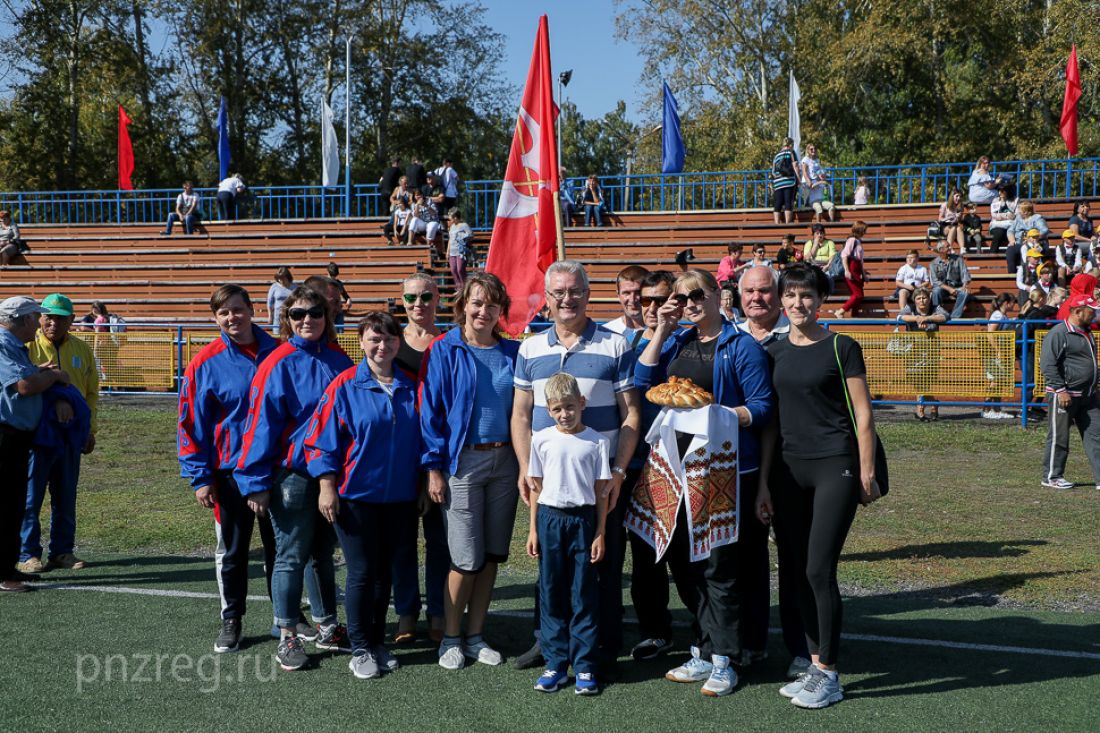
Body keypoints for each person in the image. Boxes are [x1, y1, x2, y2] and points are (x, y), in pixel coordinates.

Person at [629, 268, 773, 698]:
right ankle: (704, 648)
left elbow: (762, 407)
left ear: (717, 296)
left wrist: (722, 416)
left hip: (724, 471)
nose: (689, 302)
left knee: (719, 568)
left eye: (697, 295)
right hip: (678, 470)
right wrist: (663, 328)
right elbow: (643, 383)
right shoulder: (679, 340)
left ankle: (727, 658)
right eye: (681, 296)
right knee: (688, 565)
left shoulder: (740, 346)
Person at [757, 263, 881, 710]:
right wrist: (764, 485)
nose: (797, 304)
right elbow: (769, 423)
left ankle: (828, 672)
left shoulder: (841, 346)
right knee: (793, 570)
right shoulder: (773, 351)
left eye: (806, 296)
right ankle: (813, 662)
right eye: (789, 296)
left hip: (835, 466)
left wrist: (865, 472)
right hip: (787, 471)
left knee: (817, 569)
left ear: (820, 299)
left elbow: (863, 415)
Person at [511, 260, 640, 674]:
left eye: (576, 291)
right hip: (549, 482)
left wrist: (618, 472)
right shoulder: (530, 347)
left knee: (601, 564)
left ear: (588, 293)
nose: (568, 299)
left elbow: (631, 414)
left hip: (598, 482)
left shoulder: (615, 343)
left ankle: (602, 646)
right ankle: (549, 644)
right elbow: (520, 415)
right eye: (559, 292)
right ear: (546, 299)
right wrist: (524, 466)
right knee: (550, 567)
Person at [235, 286, 353, 671]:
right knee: (290, 555)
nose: (307, 320)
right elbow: (259, 425)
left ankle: (327, 626)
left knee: (323, 554)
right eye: (299, 313)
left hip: (333, 476)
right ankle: (286, 635)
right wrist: (254, 481)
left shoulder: (340, 360)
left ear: (326, 317)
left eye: (315, 313)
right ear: (287, 319)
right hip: (293, 475)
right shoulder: (278, 362)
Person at [307, 311, 421, 680]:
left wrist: (420, 486)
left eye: (389, 338)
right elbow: (322, 442)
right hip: (356, 497)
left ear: (398, 343)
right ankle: (359, 647)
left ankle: (376, 640)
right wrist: (327, 487)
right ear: (361, 342)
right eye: (374, 339)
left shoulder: (410, 387)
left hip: (400, 499)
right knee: (361, 571)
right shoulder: (344, 385)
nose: (382, 345)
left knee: (384, 574)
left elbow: (423, 443)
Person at [420, 272, 519, 670]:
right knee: (465, 558)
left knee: (492, 556)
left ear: (501, 311)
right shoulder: (444, 349)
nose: (483, 311)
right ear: (463, 304)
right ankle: (451, 637)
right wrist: (434, 469)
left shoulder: (513, 352)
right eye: (477, 302)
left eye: (491, 305)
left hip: (506, 462)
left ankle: (477, 635)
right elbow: (429, 413)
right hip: (462, 462)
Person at [177, 285, 280, 652]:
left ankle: (284, 620)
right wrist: (200, 477)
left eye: (238, 309)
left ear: (253, 310)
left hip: (277, 472)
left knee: (280, 549)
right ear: (215, 318)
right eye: (224, 312)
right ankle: (232, 619)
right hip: (229, 474)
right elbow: (191, 424)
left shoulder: (280, 353)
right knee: (234, 551)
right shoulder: (205, 362)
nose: (232, 317)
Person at [734, 265, 809, 678]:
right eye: (750, 291)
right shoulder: (729, 337)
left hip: (794, 463)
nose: (757, 298)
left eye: (765, 291)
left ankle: (803, 647)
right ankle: (752, 641)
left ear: (778, 294)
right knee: (748, 556)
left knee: (796, 559)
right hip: (745, 467)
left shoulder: (801, 333)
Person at [525, 372, 610, 696]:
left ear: (582, 403)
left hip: (584, 522)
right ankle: (556, 664)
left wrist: (600, 532)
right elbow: (536, 488)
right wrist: (533, 528)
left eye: (570, 407)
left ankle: (585, 666)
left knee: (583, 593)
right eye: (558, 409)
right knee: (550, 592)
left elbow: (602, 493)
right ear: (549, 409)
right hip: (549, 520)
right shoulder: (541, 439)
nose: (565, 414)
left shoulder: (597, 441)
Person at [17, 293, 97, 575]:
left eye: (60, 317)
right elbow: (25, 385)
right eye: (48, 316)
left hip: (71, 436)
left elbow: (91, 394)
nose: (53, 322)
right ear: (39, 318)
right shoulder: (26, 347)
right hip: (37, 435)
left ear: (72, 320)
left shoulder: (83, 350)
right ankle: (28, 553)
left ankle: (62, 551)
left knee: (65, 495)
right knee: (30, 496)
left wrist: (89, 429)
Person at [623, 270, 679, 662]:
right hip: (635, 464)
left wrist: (661, 331)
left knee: (687, 556)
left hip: (677, 463)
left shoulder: (687, 341)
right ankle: (654, 630)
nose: (652, 309)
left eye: (661, 300)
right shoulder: (625, 342)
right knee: (644, 558)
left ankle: (710, 634)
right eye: (647, 301)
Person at [391, 274, 448, 645]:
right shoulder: (389, 341)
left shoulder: (449, 342)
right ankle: (406, 613)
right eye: (411, 297)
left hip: (439, 451)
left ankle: (440, 612)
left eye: (426, 296)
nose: (418, 303)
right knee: (401, 540)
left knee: (440, 539)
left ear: (438, 299)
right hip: (397, 453)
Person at [0, 297, 73, 593]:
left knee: (14, 502)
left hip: (16, 436)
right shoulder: (3, 344)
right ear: (25, 319)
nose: (40, 323)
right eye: (36, 317)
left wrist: (38, 371)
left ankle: (8, 566)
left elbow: (25, 379)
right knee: (5, 504)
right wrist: (52, 375)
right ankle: (2, 572)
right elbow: (25, 387)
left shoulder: (13, 346)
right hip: (5, 435)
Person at [1039, 293, 1100, 491]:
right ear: (1077, 311)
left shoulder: (1087, 331)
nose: (1095, 313)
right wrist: (1060, 389)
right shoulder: (1058, 333)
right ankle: (1052, 476)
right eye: (1091, 310)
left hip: (1088, 396)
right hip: (1065, 396)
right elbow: (1047, 364)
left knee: (1096, 436)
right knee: (1059, 437)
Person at [897, 286, 949, 420]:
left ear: (929, 298)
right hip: (913, 351)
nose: (922, 301)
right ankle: (933, 402)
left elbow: (946, 316)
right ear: (914, 300)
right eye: (918, 298)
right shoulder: (910, 309)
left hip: (930, 351)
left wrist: (928, 319)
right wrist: (917, 319)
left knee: (925, 380)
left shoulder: (935, 308)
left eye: (924, 298)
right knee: (915, 380)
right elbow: (900, 316)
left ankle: (920, 410)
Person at [982, 293, 1017, 421]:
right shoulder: (997, 315)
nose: (1014, 305)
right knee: (994, 381)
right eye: (1013, 302)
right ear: (1006, 303)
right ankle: (986, 409)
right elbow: (990, 334)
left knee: (998, 381)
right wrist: (998, 351)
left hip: (999, 352)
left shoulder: (1002, 315)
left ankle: (996, 409)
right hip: (993, 354)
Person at [833, 221, 867, 319]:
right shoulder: (852, 240)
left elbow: (860, 261)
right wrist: (847, 270)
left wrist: (864, 274)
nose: (865, 232)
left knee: (860, 295)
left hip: (857, 268)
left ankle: (855, 315)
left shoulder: (858, 241)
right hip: (852, 267)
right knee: (857, 294)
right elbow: (844, 255)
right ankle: (840, 311)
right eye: (864, 230)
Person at [929, 240, 971, 319]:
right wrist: (949, 289)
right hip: (942, 288)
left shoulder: (958, 259)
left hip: (956, 287)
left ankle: (954, 316)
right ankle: (937, 313)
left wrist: (964, 286)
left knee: (965, 292)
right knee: (936, 291)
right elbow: (935, 281)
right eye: (947, 246)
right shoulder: (933, 263)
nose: (950, 248)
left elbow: (965, 273)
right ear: (941, 249)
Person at [603, 265, 649, 335]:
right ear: (618, 295)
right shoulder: (606, 333)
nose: (632, 299)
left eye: (638, 293)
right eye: (626, 293)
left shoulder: (663, 331)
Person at [1009, 200, 1050, 271]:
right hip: (1020, 242)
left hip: (1035, 243)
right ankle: (1012, 273)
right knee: (1010, 250)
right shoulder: (1018, 218)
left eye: (1020, 210)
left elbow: (1044, 230)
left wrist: (1033, 238)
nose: (1018, 212)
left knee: (1031, 250)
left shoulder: (1037, 218)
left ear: (1027, 212)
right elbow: (1010, 230)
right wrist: (1012, 240)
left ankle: (1029, 271)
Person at [800, 144, 835, 223]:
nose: (813, 150)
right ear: (808, 150)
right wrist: (808, 181)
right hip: (808, 181)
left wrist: (822, 177)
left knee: (829, 205)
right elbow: (804, 171)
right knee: (811, 203)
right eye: (811, 149)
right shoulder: (805, 159)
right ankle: (816, 224)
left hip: (816, 180)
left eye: (815, 149)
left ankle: (832, 223)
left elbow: (818, 171)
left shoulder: (817, 160)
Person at [771, 137, 798, 224]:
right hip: (789, 182)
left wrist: (779, 177)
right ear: (791, 145)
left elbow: (773, 172)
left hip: (778, 183)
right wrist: (798, 179)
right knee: (788, 203)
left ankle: (776, 224)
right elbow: (795, 166)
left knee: (777, 204)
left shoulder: (776, 155)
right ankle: (787, 223)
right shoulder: (791, 153)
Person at [447, 209, 473, 289]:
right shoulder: (452, 226)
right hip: (452, 252)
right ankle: (458, 287)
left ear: (455, 218)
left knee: (460, 269)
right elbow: (450, 239)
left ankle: (465, 286)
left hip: (461, 252)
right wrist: (448, 251)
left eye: (450, 218)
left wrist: (463, 238)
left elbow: (471, 235)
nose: (449, 220)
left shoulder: (464, 225)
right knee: (453, 270)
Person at [989, 185, 1018, 256]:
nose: (1000, 193)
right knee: (999, 232)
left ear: (1007, 191)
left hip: (1011, 226)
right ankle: (992, 255)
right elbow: (994, 216)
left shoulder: (1015, 200)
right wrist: (1007, 215)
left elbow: (1015, 215)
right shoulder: (995, 200)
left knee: (1014, 233)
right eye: (999, 190)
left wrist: (1003, 214)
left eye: (1002, 191)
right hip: (997, 225)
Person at [938, 188, 965, 252]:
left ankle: (962, 248)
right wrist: (948, 219)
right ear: (952, 196)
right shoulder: (945, 205)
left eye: (960, 196)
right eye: (957, 196)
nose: (958, 198)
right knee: (953, 228)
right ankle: (949, 248)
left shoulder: (960, 206)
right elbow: (940, 219)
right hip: (944, 226)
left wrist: (958, 217)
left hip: (955, 225)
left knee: (959, 228)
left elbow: (959, 221)